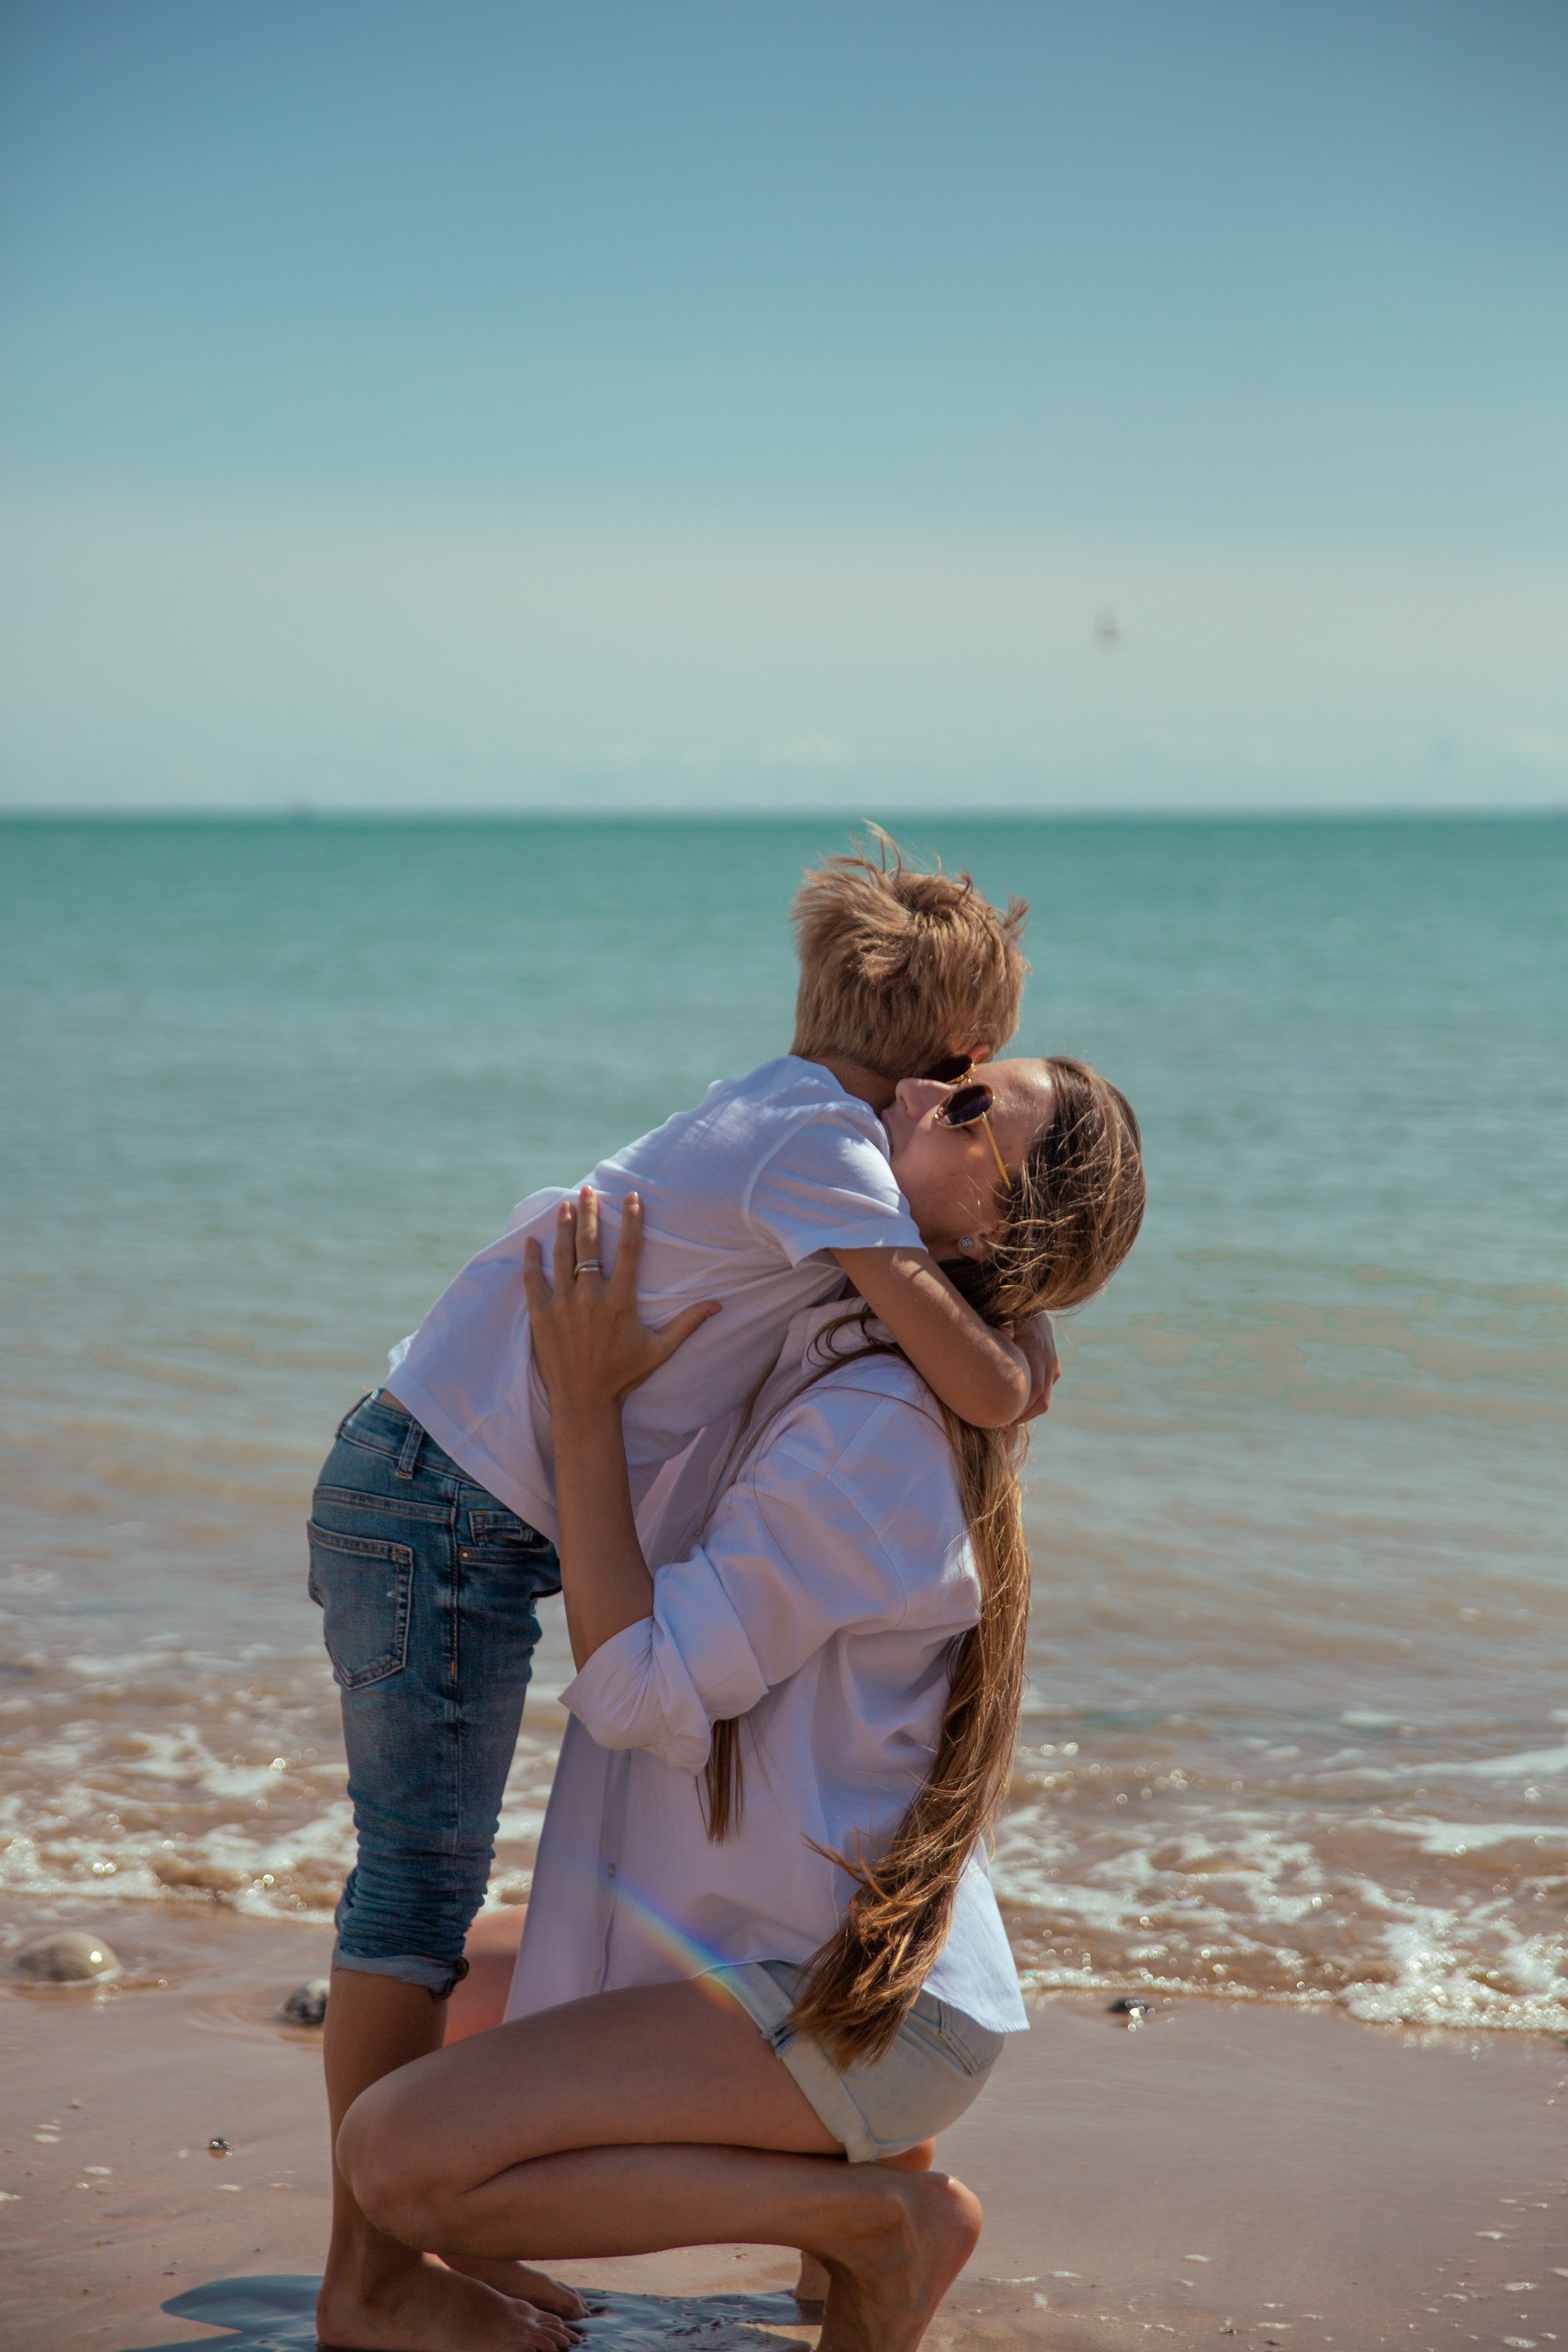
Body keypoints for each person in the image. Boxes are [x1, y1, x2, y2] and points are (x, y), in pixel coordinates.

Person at [310, 837, 1061, 2351]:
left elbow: (978, 1337)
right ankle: (375, 2281)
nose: (954, 1096)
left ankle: (499, 2232)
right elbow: (982, 1376)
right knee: (418, 1889)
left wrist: (1026, 1310)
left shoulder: (793, 1142)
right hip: (440, 1497)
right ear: (947, 1044)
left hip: (445, 1488)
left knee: (442, 1907)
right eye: (968, 1075)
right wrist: (1021, 1345)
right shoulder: (820, 1151)